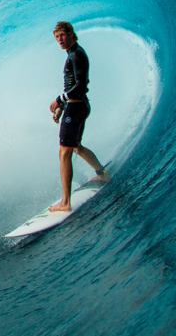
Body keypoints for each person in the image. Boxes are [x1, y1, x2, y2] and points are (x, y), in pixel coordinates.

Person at [47, 21, 109, 212]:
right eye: (57, 37)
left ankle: (65, 202)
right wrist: (62, 106)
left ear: (71, 34)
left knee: (63, 152)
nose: (60, 40)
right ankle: (101, 172)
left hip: (76, 108)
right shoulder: (72, 54)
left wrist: (59, 100)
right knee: (75, 147)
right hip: (75, 106)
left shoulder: (77, 55)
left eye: (62, 36)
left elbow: (81, 86)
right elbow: (72, 87)